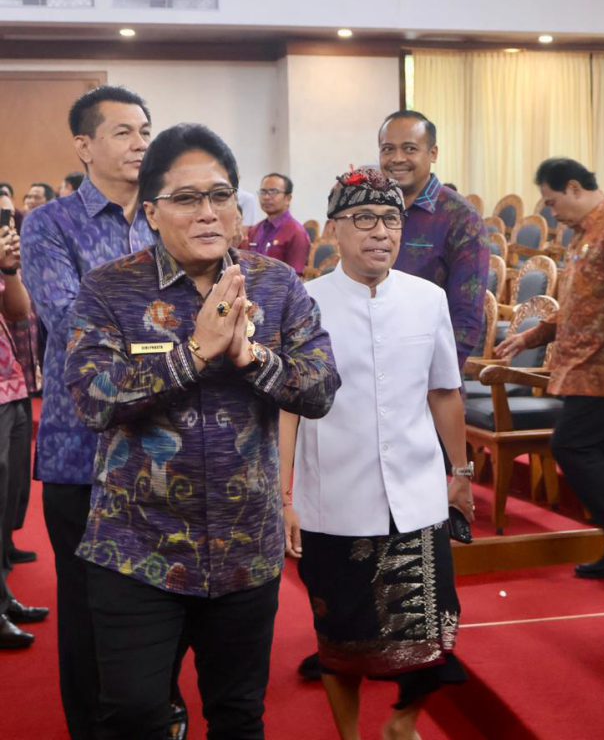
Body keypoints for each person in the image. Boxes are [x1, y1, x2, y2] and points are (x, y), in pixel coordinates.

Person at [63, 123, 339, 739]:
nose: (208, 212)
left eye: (220, 195)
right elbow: (91, 398)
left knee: (238, 716)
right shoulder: (110, 288)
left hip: (245, 552)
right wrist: (191, 355)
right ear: (152, 212)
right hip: (137, 551)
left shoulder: (276, 285)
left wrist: (251, 358)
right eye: (186, 198)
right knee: (133, 715)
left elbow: (321, 388)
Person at [282, 168, 470, 740]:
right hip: (334, 498)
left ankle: (403, 722)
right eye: (363, 219)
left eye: (391, 219)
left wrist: (461, 472)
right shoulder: (303, 303)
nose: (380, 232)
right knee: (341, 639)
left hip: (416, 493)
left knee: (435, 631)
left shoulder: (427, 299)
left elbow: (444, 391)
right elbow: (288, 408)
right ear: (334, 230)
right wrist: (284, 496)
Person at [21, 84, 158, 740]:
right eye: (124, 132)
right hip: (84, 451)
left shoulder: (168, 216)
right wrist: (176, 343)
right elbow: (72, 321)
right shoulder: (50, 224)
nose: (140, 144)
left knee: (159, 604)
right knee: (86, 609)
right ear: (85, 145)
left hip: (166, 447)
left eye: (146, 131)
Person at [497, 157, 604, 579]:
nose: (551, 212)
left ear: (573, 188)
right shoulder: (584, 234)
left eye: (552, 202)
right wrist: (531, 337)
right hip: (585, 365)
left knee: (572, 446)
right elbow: (576, 305)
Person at [378, 110, 489, 369]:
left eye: (409, 149)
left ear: (433, 153)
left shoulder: (461, 217)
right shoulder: (373, 210)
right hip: (372, 364)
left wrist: (436, 375)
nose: (397, 158)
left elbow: (466, 319)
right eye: (387, 149)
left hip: (428, 372)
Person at [0, 194, 49, 650]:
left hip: (10, 387)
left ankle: (2, 595)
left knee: (8, 499)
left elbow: (19, 312)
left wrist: (8, 269)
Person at [246, 173, 311, 275]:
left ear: (288, 198)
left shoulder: (296, 233)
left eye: (273, 192)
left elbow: (295, 277)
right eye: (263, 192)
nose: (266, 197)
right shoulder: (255, 230)